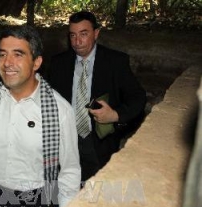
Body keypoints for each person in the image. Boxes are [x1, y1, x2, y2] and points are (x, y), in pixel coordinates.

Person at [0, 25, 81, 207]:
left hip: (38, 204)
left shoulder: (60, 110)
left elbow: (69, 169)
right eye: (2, 55)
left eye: (18, 54)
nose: (7, 63)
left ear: (36, 62)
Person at [47, 11, 146, 184]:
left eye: (83, 34)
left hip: (99, 142)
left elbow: (138, 97)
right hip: (65, 141)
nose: (77, 42)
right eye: (73, 35)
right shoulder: (58, 63)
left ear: (96, 33)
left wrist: (115, 115)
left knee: (97, 192)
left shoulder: (115, 61)